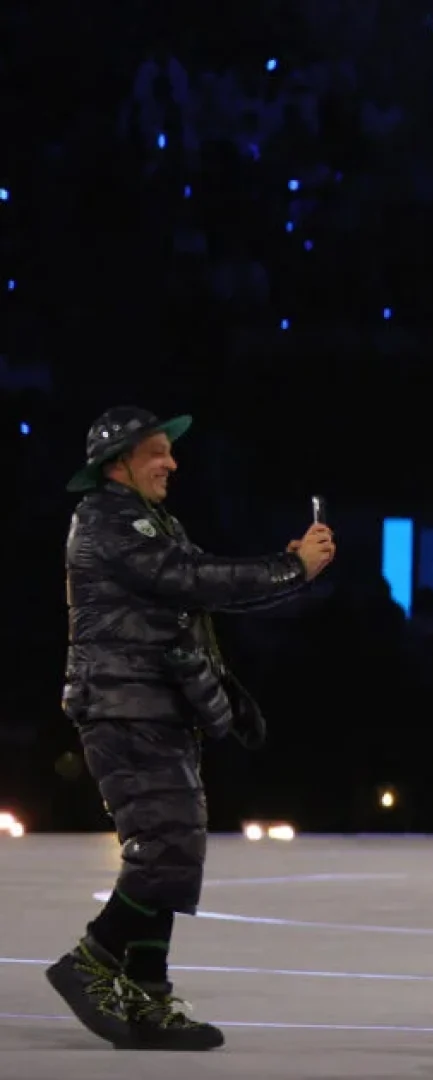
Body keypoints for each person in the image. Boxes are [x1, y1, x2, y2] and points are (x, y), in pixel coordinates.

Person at [45, 406, 336, 1051]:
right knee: (167, 850)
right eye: (157, 451)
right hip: (125, 709)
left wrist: (229, 690)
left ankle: (149, 1000)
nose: (171, 462)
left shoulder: (147, 522)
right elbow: (194, 580)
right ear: (116, 463)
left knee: (171, 854)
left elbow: (197, 595)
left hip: (154, 708)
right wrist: (295, 569)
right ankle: (91, 961)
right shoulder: (106, 522)